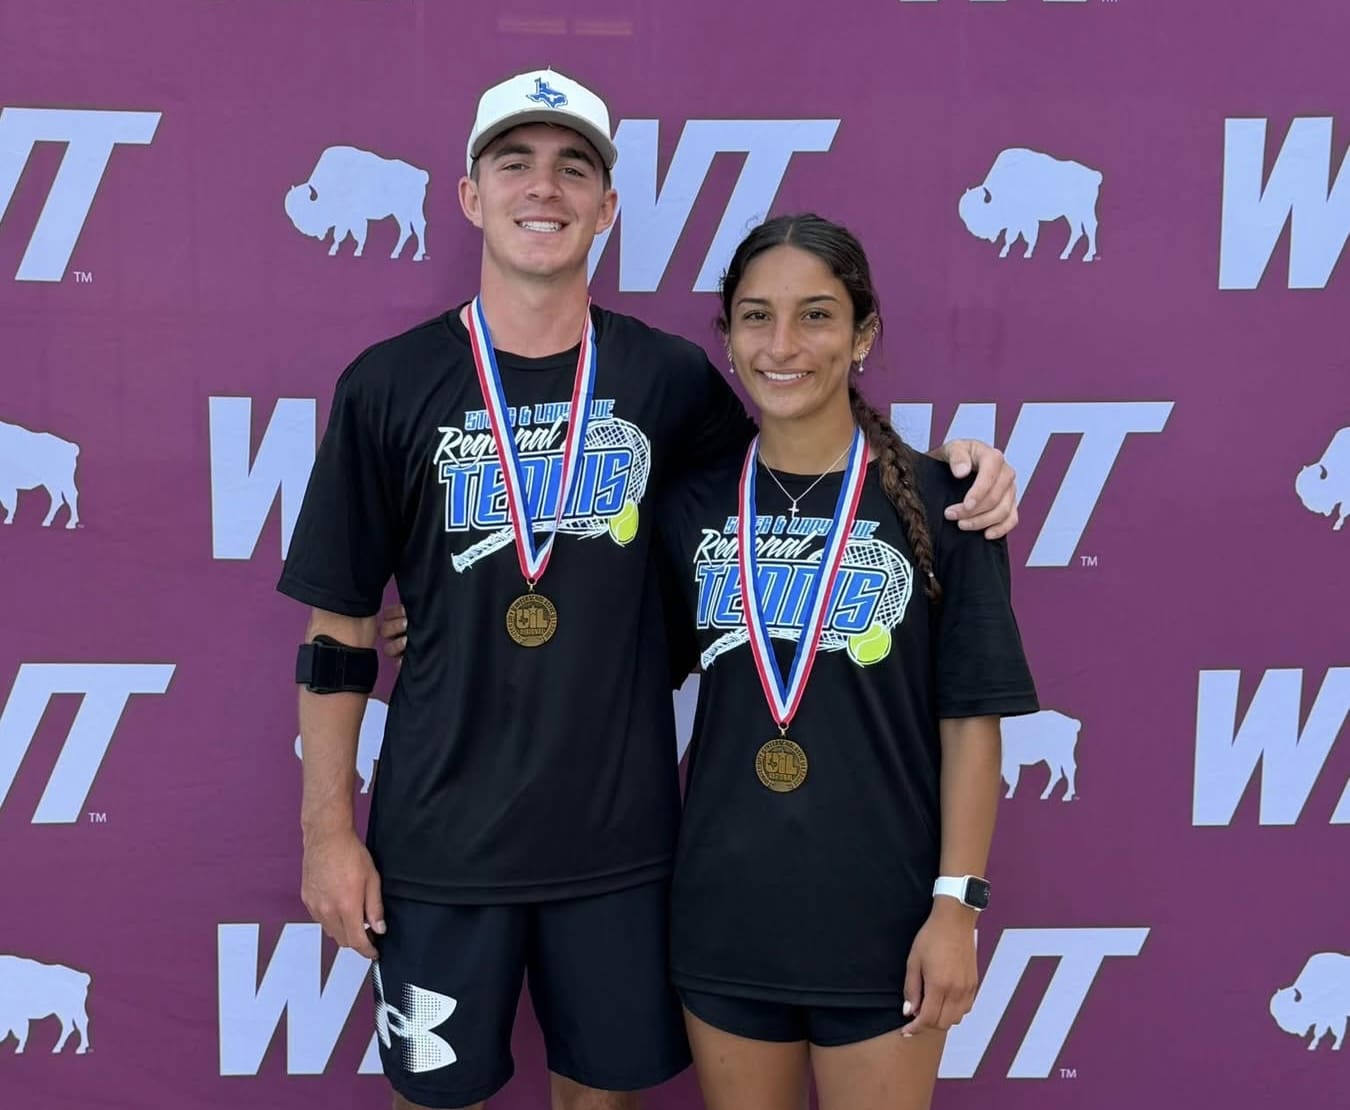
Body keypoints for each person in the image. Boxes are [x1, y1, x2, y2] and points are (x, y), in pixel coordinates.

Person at [280, 68, 1019, 1110]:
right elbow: (338, 628)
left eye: (574, 168)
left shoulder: (671, 381)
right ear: (469, 196)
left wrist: (959, 470)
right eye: (516, 164)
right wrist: (326, 833)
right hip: (436, 842)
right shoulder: (388, 384)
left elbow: (799, 469)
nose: (545, 188)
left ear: (608, 208)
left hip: (625, 850)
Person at [656, 213, 1040, 1110]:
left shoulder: (947, 503)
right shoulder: (692, 507)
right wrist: (443, 621)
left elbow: (971, 721)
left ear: (863, 334)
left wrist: (957, 907)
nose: (783, 344)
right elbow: (606, 646)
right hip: (725, 915)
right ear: (727, 338)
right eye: (755, 317)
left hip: (886, 924)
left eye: (817, 315)